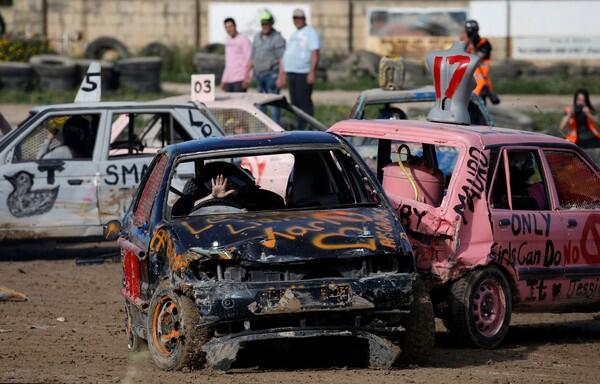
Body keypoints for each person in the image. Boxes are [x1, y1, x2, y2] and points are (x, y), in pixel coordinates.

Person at [278, 8, 320, 121]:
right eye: (295, 18)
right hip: (291, 72)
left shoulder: (311, 32)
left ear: (304, 19)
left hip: (303, 72)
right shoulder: (294, 34)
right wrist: (282, 73)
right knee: (295, 103)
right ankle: (300, 126)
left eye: (299, 18)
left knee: (304, 102)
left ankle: (307, 127)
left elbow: (315, 53)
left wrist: (312, 72)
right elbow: (286, 54)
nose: (297, 20)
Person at [462, 19, 500, 105]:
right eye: (468, 32)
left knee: (479, 107)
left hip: (481, 80)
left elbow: (477, 58)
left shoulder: (484, 43)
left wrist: (470, 44)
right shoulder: (465, 44)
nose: (470, 34)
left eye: (471, 32)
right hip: (467, 81)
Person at [220, 17, 252, 92]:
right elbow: (228, 63)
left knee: (239, 103)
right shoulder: (228, 41)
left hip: (240, 79)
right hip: (229, 80)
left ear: (235, 26)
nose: (229, 29)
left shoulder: (243, 40)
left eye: (230, 26)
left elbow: (250, 60)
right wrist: (223, 80)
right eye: (226, 27)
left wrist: (247, 79)